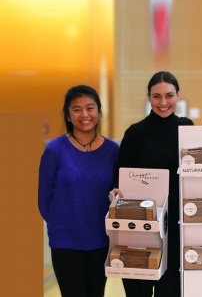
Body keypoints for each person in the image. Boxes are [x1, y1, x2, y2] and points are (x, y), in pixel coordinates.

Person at [108, 71, 193, 297]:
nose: (163, 103)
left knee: (172, 292)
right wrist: (115, 192)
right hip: (139, 228)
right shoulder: (136, 133)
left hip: (176, 229)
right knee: (138, 291)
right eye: (156, 96)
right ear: (148, 97)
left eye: (169, 96)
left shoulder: (188, 128)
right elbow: (120, 177)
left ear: (178, 96)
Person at [38, 85, 119, 297]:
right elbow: (43, 199)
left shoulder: (113, 151)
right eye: (77, 109)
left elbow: (118, 193)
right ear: (67, 114)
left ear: (99, 112)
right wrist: (61, 225)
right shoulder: (55, 149)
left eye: (90, 108)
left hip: (101, 239)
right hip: (66, 241)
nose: (84, 114)